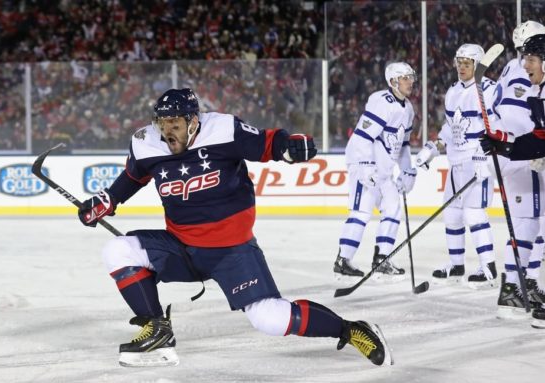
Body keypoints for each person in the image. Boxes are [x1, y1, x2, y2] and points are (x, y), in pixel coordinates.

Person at [78, 88, 394, 367]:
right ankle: (157, 329)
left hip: (232, 252)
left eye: (174, 124)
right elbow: (133, 177)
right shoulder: (147, 143)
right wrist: (106, 200)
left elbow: (269, 143)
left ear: (193, 121)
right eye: (163, 125)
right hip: (181, 246)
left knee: (270, 318)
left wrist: (289, 147)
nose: (167, 132)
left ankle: (350, 330)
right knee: (118, 250)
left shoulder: (223, 129)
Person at [415, 43, 497, 288]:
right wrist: (434, 146)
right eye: (458, 62)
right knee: (451, 215)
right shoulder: (453, 91)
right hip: (456, 162)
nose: (461, 67)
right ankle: (457, 265)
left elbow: (498, 125)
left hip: (478, 161)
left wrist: (488, 157)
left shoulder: (489, 90)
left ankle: (488, 267)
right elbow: (451, 128)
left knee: (474, 214)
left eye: (467, 63)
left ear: (477, 65)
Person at [480, 34, 545, 329]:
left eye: (531, 59)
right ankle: (515, 288)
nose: (524, 64)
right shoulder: (537, 93)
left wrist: (508, 147)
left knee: (530, 223)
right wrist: (504, 144)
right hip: (527, 164)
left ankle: (516, 288)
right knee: (529, 223)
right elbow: (538, 138)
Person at [333, 62, 417, 281]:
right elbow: (363, 136)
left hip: (384, 169)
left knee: (393, 207)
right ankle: (344, 260)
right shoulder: (382, 102)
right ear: (393, 81)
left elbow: (404, 144)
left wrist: (407, 170)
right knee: (362, 211)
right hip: (364, 162)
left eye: (411, 77)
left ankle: (382, 259)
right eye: (405, 78)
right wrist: (366, 165)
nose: (410, 82)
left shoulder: (408, 109)